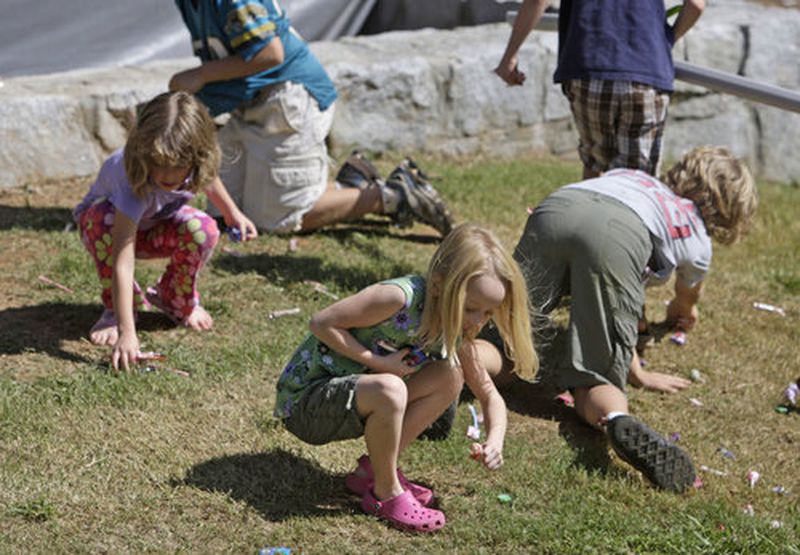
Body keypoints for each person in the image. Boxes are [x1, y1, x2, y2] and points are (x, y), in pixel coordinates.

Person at [507, 146, 757, 492]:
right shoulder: (696, 236)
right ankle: (615, 418)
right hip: (620, 236)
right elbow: (684, 300)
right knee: (596, 376)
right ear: (730, 210)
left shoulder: (635, 178)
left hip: (558, 207)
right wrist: (681, 314)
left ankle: (453, 368)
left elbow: (629, 289)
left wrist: (635, 361)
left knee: (504, 323)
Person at [274, 224, 537, 532]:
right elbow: (322, 323)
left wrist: (495, 442)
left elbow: (490, 395)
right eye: (471, 309)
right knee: (391, 388)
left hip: (361, 396)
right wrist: (378, 362)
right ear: (438, 286)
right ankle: (385, 493)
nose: (478, 321)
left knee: (450, 376)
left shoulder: (456, 325)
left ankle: (372, 473)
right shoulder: (397, 298)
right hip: (306, 405)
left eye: (488, 314)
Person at [170, 0, 453, 236]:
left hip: (287, 100)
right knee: (225, 210)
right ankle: (352, 183)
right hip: (250, 102)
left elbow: (270, 53)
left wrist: (202, 75)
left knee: (280, 220)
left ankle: (393, 194)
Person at [74, 91, 257, 371]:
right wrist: (127, 333)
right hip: (111, 232)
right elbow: (123, 259)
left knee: (205, 228)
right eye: (158, 166)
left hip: (156, 225)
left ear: (198, 155)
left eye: (178, 167)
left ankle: (174, 296)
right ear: (142, 151)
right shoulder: (130, 176)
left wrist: (233, 214)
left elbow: (209, 179)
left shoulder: (196, 164)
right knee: (101, 220)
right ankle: (118, 309)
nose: (167, 176)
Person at [494, 0, 706, 179]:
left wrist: (509, 56)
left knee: (596, 166)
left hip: (588, 65)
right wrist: (666, 40)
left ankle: (590, 225)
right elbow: (696, 5)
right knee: (639, 182)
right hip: (645, 68)